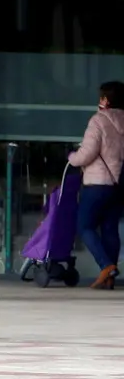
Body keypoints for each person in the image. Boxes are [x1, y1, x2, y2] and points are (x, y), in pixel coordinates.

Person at [69, 81, 124, 290]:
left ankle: (106, 266)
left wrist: (72, 157)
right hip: (118, 184)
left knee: (84, 226)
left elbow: (87, 154)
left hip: (97, 184)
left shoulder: (98, 121)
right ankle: (109, 277)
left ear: (106, 100)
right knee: (110, 228)